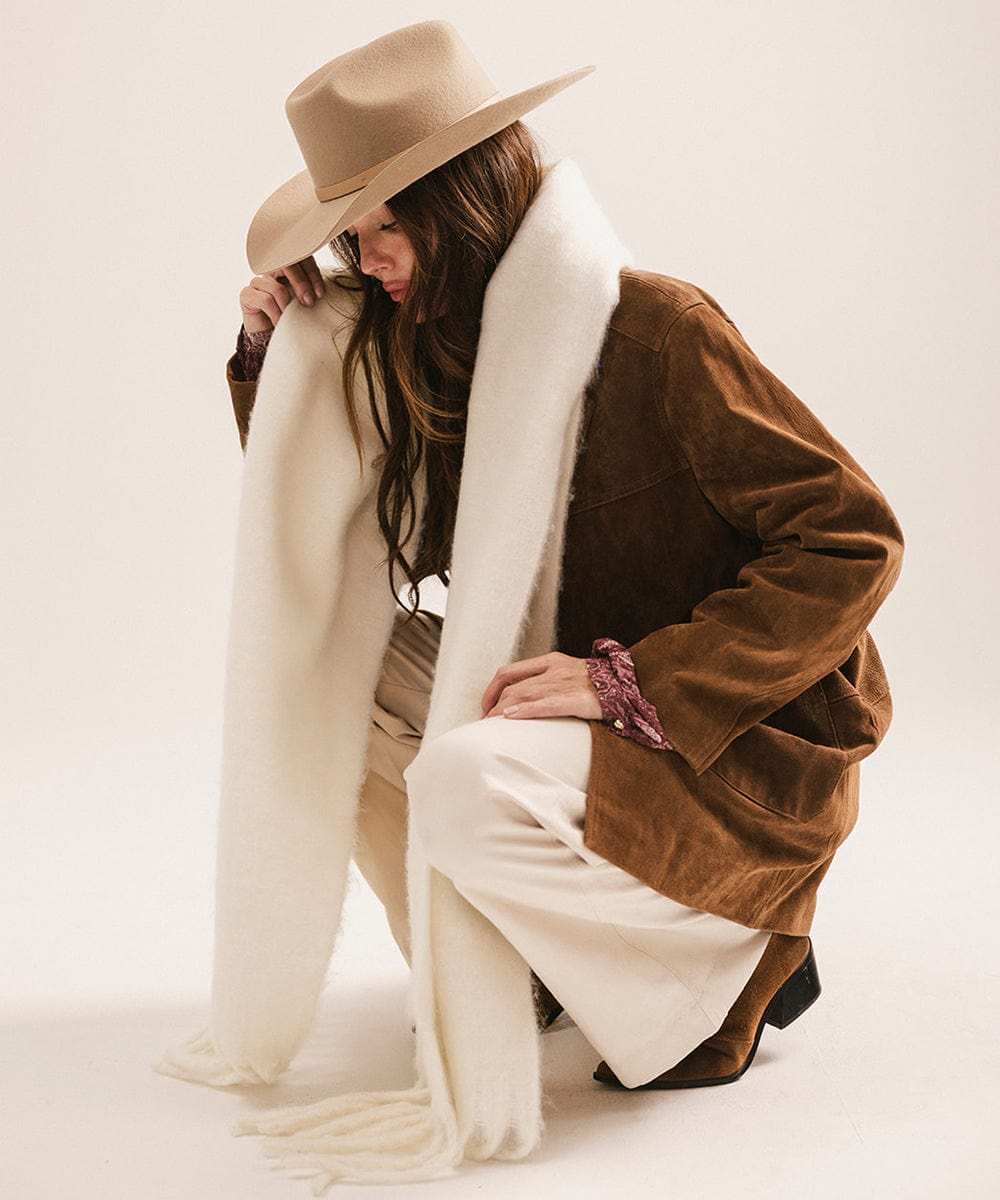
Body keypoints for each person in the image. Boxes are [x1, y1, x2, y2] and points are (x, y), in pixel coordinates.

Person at [158, 19, 903, 1188]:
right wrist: (276, 355)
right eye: (352, 237)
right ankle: (531, 971)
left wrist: (633, 678)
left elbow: (851, 539)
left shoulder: (657, 328)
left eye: (388, 225)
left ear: (465, 199)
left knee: (460, 777)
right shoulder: (432, 350)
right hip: (564, 709)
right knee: (320, 675)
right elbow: (339, 537)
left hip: (730, 744)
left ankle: (723, 982)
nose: (374, 258)